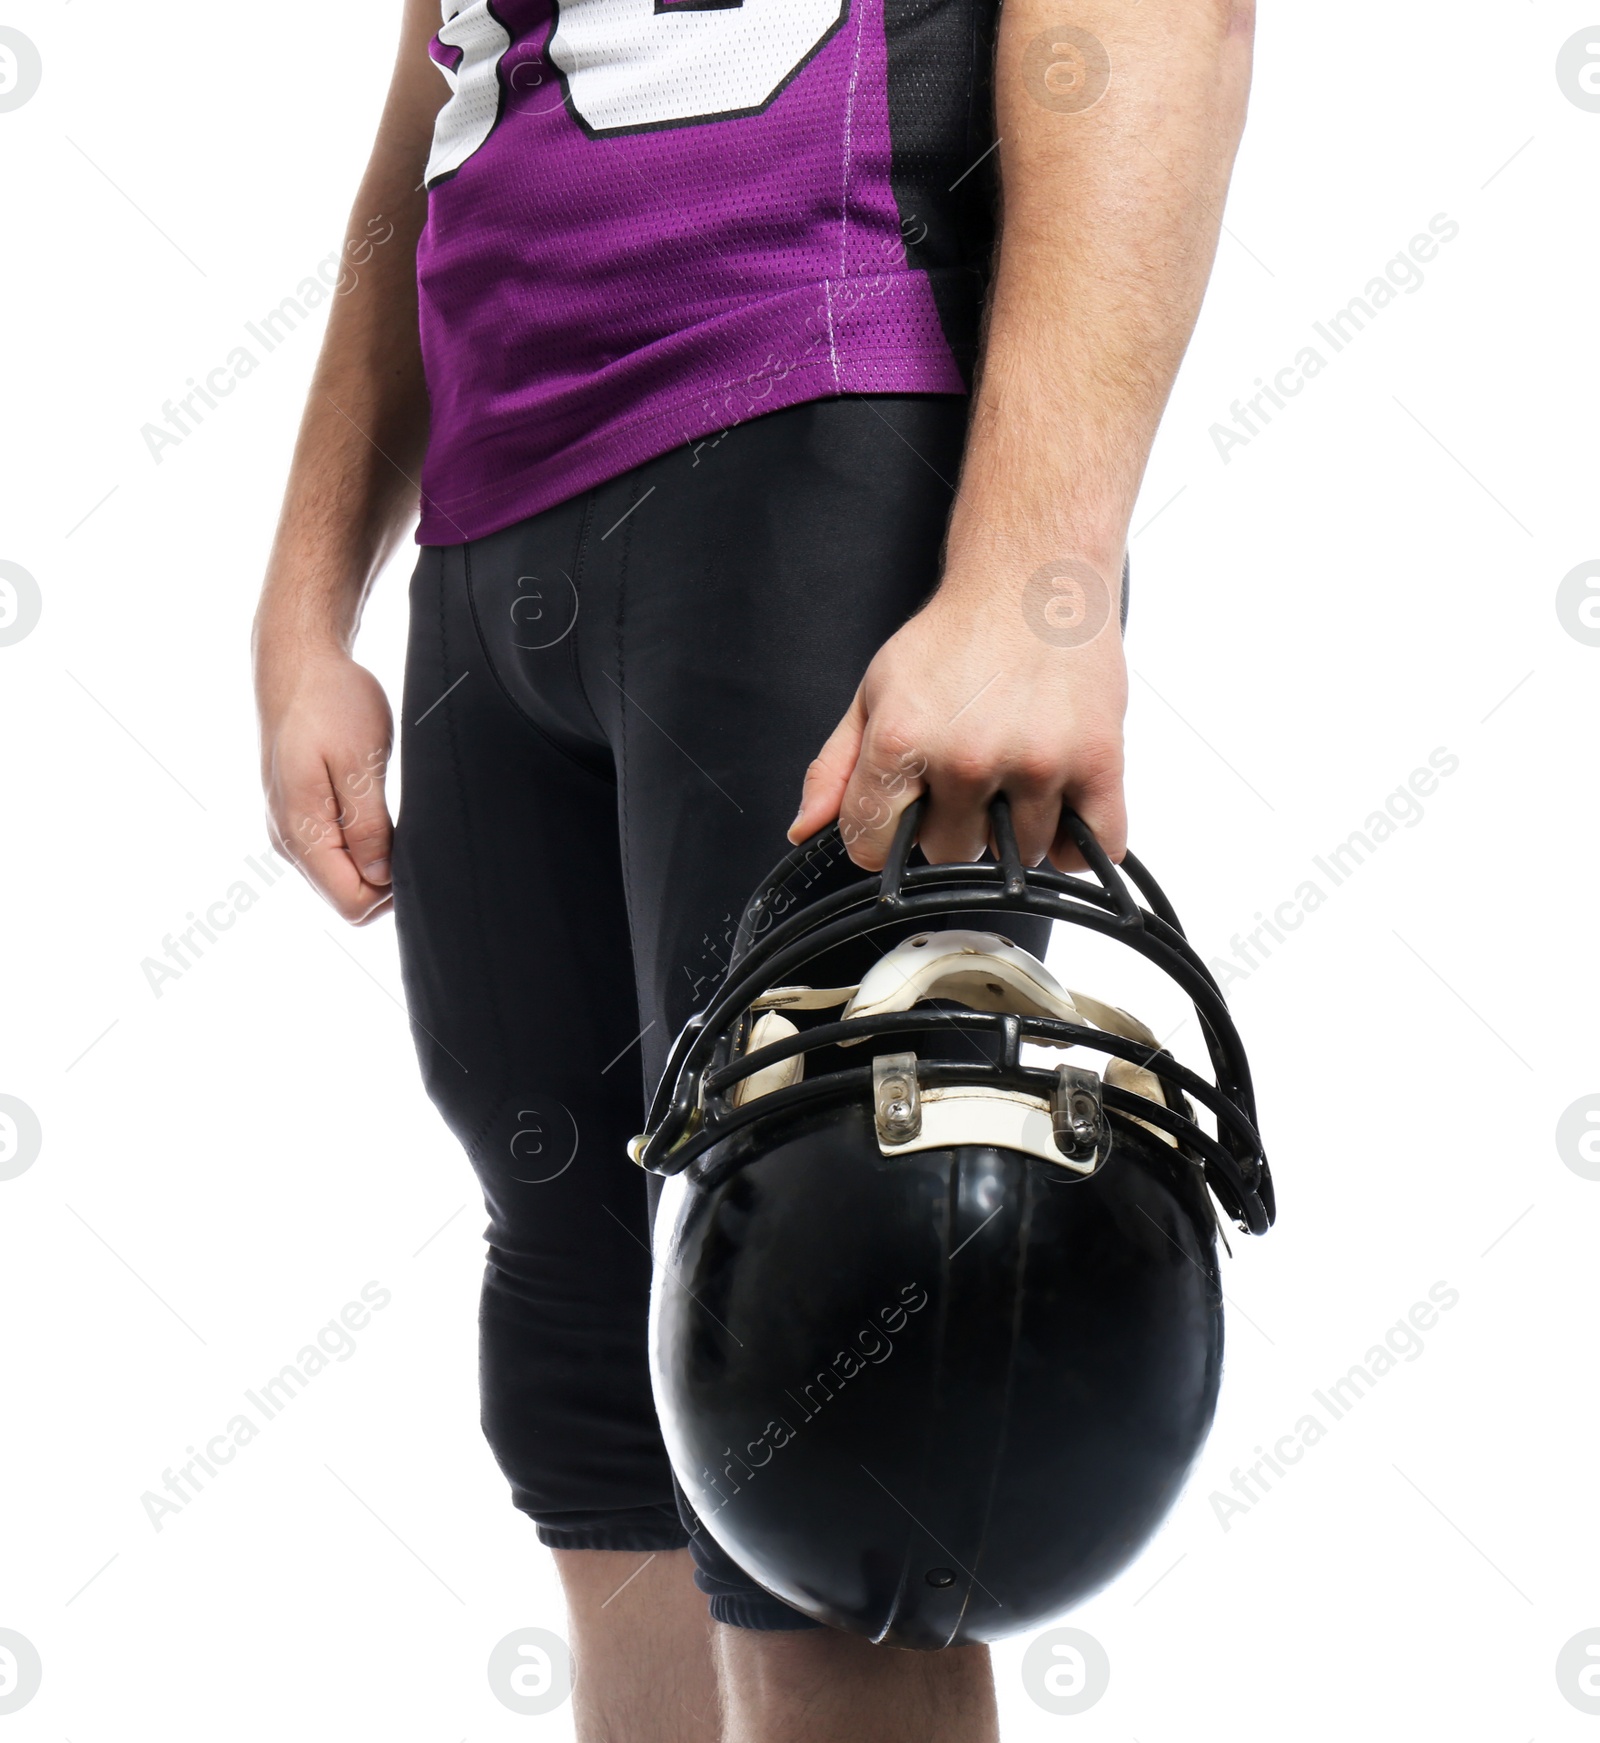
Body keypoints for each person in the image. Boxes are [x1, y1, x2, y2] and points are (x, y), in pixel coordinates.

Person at [252, 1, 1253, 1736]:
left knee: (841, 1358)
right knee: (587, 1359)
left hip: (813, 428)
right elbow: (449, 87)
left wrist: (1039, 569)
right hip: (496, 528)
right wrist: (303, 596)